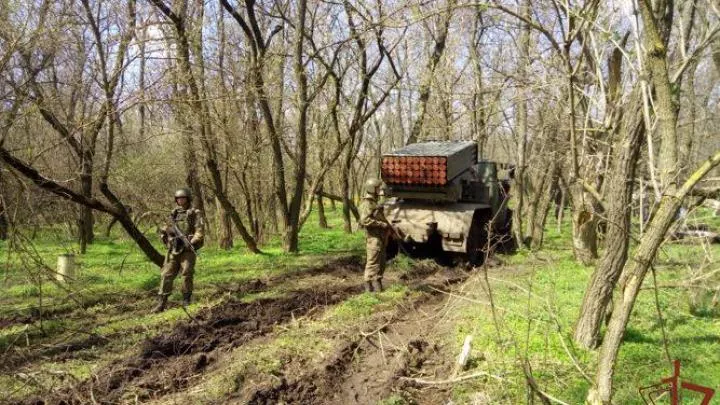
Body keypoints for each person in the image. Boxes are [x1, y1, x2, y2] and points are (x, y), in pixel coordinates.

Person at [152, 188, 205, 313]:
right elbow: (165, 228)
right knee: (166, 274)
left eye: (183, 198)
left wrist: (190, 242)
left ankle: (186, 300)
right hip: (174, 249)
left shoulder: (194, 213)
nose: (181, 200)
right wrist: (167, 237)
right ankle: (161, 302)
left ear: (188, 199)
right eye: (178, 198)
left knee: (187, 274)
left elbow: (200, 231)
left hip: (187, 250)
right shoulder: (174, 213)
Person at [359, 178, 391, 293]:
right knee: (372, 263)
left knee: (381, 263)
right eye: (378, 188)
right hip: (373, 238)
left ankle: (378, 286)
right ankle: (368, 288)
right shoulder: (367, 203)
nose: (379, 190)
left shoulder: (374, 202)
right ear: (372, 189)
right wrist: (381, 224)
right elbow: (364, 220)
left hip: (380, 237)